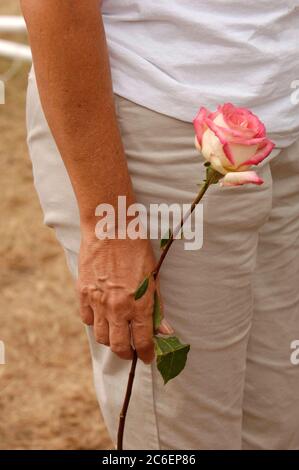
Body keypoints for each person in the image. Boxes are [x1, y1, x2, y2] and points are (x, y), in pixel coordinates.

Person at [21, 0, 299, 449]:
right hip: (153, 118)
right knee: (183, 436)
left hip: (279, 121)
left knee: (276, 425)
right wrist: (111, 223)